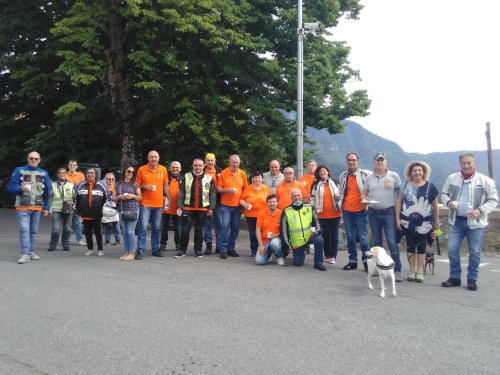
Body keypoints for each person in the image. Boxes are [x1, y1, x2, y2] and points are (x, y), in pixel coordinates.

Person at [440, 152, 498, 291]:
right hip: (456, 221)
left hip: (476, 223)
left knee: (475, 252)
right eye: (463, 163)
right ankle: (455, 277)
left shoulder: (485, 181)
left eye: (469, 162)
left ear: (474, 162)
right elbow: (443, 194)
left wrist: (480, 210)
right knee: (452, 250)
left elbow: (493, 200)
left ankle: (472, 279)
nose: (466, 165)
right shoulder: (452, 178)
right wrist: (448, 202)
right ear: (460, 164)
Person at [396, 161, 439, 283]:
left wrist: (436, 221)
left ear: (424, 172)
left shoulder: (430, 187)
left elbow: (435, 205)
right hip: (406, 222)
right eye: (414, 170)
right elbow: (399, 202)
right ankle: (411, 271)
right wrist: (397, 220)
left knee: (421, 246)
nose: (417, 172)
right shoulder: (404, 186)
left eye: (420, 170)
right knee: (410, 245)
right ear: (410, 172)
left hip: (425, 223)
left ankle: (420, 271)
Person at [363, 152, 402, 281]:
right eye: (377, 160)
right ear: (374, 162)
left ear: (386, 162)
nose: (380, 162)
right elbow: (364, 193)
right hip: (373, 212)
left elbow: (400, 194)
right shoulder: (369, 178)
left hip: (389, 212)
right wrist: (364, 200)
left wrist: (398, 211)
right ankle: (379, 268)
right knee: (377, 242)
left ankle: (397, 270)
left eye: (382, 160)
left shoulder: (393, 176)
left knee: (391, 242)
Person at [8, 151, 51, 264]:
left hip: (37, 207)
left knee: (33, 231)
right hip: (22, 206)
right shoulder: (19, 170)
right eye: (31, 158)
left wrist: (46, 207)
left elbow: (48, 191)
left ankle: (31, 252)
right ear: (27, 159)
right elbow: (11, 187)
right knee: (24, 230)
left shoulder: (44, 173)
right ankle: (25, 254)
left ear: (39, 160)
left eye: (36, 159)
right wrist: (19, 189)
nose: (33, 160)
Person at [175, 159, 216, 258]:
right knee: (185, 230)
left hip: (202, 209)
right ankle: (182, 250)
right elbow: (181, 193)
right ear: (192, 166)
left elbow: (212, 194)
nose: (198, 167)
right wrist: (180, 206)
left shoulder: (209, 178)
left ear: (203, 166)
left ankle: (198, 250)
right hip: (188, 208)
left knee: (199, 230)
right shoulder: (186, 176)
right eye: (196, 165)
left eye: (200, 165)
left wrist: (211, 208)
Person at [338, 152, 371, 272]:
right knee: (350, 238)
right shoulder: (343, 175)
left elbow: (372, 188)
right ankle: (352, 261)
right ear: (347, 161)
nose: (351, 162)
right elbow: (341, 191)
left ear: (358, 161)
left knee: (363, 238)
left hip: (361, 211)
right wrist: (339, 199)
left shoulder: (366, 174)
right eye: (349, 160)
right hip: (347, 211)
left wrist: (368, 201)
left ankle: (367, 262)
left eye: (353, 160)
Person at [135, 150, 171, 260]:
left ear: (158, 158)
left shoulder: (163, 169)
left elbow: (165, 185)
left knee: (156, 228)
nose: (154, 159)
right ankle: (140, 251)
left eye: (155, 157)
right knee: (143, 228)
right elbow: (136, 185)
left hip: (158, 204)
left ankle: (155, 249)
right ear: (148, 158)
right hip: (145, 203)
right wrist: (146, 187)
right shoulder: (142, 169)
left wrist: (169, 199)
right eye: (152, 157)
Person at [280, 188, 325, 270]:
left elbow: (317, 222)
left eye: (298, 195)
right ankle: (302, 251)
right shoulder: (286, 211)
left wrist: (317, 230)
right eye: (294, 196)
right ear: (291, 198)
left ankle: (318, 263)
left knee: (319, 240)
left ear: (302, 196)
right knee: (298, 263)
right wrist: (287, 245)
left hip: (309, 236)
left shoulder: (309, 207)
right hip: (297, 241)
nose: (297, 198)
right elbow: (283, 231)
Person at [217, 154, 248, 259]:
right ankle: (223, 249)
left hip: (237, 206)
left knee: (235, 228)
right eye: (233, 162)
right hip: (225, 205)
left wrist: (243, 204)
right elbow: (218, 189)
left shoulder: (242, 174)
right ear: (229, 162)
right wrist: (227, 190)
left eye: (237, 162)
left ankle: (231, 248)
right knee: (225, 227)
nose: (235, 164)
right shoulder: (224, 173)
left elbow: (245, 190)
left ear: (239, 163)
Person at [74, 168, 111, 256]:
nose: (90, 174)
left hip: (97, 213)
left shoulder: (102, 185)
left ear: (95, 174)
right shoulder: (80, 185)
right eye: (88, 173)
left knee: (98, 232)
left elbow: (108, 198)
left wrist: (105, 210)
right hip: (85, 213)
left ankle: (100, 249)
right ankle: (90, 249)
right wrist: (77, 210)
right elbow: (75, 199)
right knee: (87, 232)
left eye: (92, 173)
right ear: (86, 174)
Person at [310, 165, 341, 264]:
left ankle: (333, 256)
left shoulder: (335, 182)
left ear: (328, 172)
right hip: (322, 214)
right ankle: (327, 255)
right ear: (318, 174)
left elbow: (341, 194)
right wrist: (313, 206)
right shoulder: (315, 185)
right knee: (325, 236)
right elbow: (312, 198)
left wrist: (338, 197)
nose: (323, 173)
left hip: (335, 213)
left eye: (324, 171)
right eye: (320, 172)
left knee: (334, 235)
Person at [240, 170, 272, 258]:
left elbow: (271, 201)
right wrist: (245, 205)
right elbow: (241, 200)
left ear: (262, 179)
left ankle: (264, 250)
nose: (257, 179)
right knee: (253, 233)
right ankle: (254, 251)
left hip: (263, 216)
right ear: (253, 179)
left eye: (259, 177)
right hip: (250, 216)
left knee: (263, 234)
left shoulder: (266, 189)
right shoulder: (248, 188)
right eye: (256, 177)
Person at [113, 165, 142, 261]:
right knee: (124, 232)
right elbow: (113, 198)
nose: (130, 173)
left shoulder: (135, 183)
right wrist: (119, 197)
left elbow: (140, 197)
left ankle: (131, 253)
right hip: (122, 210)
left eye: (133, 172)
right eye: (129, 171)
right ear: (124, 171)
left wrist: (132, 196)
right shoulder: (118, 184)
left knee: (130, 231)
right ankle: (126, 252)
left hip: (133, 210)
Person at [48, 168, 74, 252]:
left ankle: (65, 244)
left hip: (68, 209)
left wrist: (75, 207)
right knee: (56, 228)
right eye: (60, 173)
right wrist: (49, 209)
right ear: (57, 174)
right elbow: (50, 197)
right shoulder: (53, 184)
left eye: (64, 173)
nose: (62, 174)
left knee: (68, 228)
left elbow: (75, 197)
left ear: (66, 174)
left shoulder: (71, 184)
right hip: (56, 209)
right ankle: (53, 244)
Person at [160, 161, 183, 252]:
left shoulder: (183, 179)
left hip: (177, 208)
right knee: (163, 228)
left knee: (178, 228)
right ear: (170, 168)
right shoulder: (165, 179)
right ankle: (162, 244)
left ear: (180, 169)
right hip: (164, 208)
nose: (175, 169)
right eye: (173, 167)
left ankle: (178, 244)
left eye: (177, 167)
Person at [255, 194, 284, 266]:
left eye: (274, 202)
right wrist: (261, 245)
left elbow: (285, 230)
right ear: (267, 203)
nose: (272, 203)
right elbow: (258, 230)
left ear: (277, 203)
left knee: (274, 243)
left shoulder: (282, 213)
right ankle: (268, 255)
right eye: (270, 202)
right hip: (265, 242)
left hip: (277, 240)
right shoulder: (262, 214)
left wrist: (275, 235)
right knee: (259, 261)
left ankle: (279, 256)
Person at [203, 153, 222, 255]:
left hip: (218, 202)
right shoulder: (201, 170)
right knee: (207, 225)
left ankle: (219, 247)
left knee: (219, 224)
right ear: (205, 161)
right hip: (205, 202)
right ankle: (209, 246)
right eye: (208, 160)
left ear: (215, 161)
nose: (210, 162)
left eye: (212, 160)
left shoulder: (220, 172)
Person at [66, 159, 86, 246]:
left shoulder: (81, 175)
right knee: (67, 222)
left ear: (77, 166)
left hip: (78, 200)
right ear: (68, 166)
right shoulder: (65, 175)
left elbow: (83, 186)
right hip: (67, 200)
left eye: (74, 165)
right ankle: (65, 239)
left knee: (77, 221)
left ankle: (80, 239)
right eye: (71, 165)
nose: (72, 167)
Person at [102, 173, 121, 246]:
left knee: (116, 225)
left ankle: (118, 240)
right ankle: (107, 240)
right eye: (109, 179)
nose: (111, 180)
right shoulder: (103, 187)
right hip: (106, 208)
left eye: (112, 179)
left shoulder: (117, 187)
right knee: (107, 225)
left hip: (115, 207)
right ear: (106, 179)